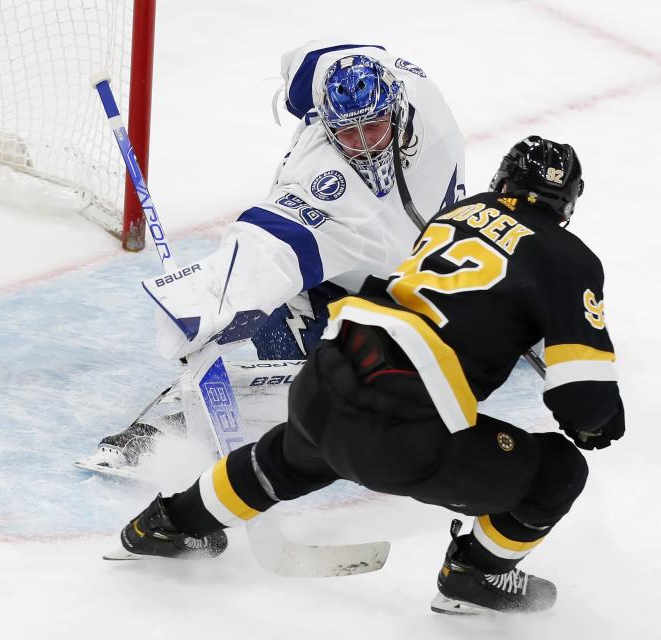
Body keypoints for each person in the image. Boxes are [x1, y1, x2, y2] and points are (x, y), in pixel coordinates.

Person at [113, 136, 626, 615]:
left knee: (294, 456)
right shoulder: (568, 257)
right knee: (559, 472)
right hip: (402, 428)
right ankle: (475, 574)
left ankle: (169, 523)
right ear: (567, 203)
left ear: (504, 182)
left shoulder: (459, 211)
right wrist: (597, 426)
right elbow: (587, 403)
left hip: (327, 375)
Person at [75, 40, 465, 475]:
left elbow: (320, 58)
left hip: (429, 273)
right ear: (326, 126)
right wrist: (208, 305)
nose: (363, 145)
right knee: (339, 392)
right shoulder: (322, 181)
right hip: (340, 286)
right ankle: (167, 425)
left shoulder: (419, 92)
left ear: (396, 107)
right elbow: (268, 245)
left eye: (372, 126)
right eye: (346, 133)